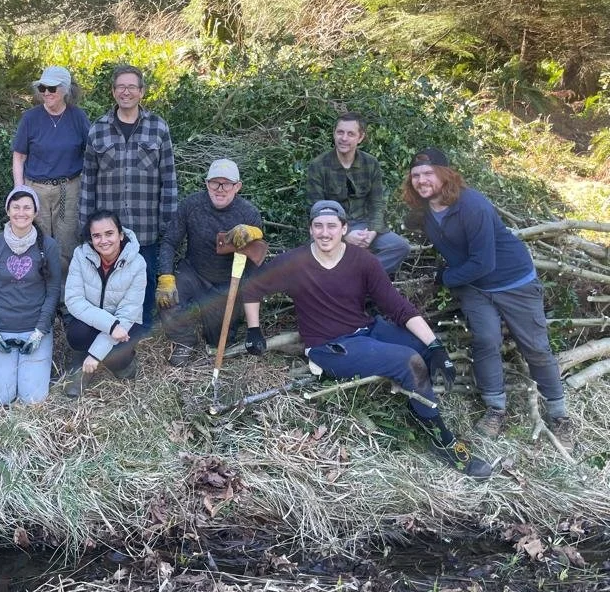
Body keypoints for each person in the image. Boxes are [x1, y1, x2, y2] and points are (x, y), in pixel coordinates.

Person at [240, 200, 492, 478]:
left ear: (344, 229)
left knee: (422, 349)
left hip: (366, 329)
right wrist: (254, 330)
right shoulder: (294, 262)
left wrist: (436, 346)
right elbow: (252, 289)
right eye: (318, 226)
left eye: (332, 226)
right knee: (408, 361)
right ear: (311, 229)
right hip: (330, 346)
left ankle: (419, 407)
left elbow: (397, 306)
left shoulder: (362, 260)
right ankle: (444, 443)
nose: (325, 233)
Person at [403, 148, 573, 446]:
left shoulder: (472, 205)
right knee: (485, 340)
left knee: (534, 346)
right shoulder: (426, 211)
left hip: (513, 282)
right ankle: (496, 409)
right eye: (415, 175)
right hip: (475, 288)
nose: (421, 180)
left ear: (445, 174)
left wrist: (445, 278)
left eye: (428, 173)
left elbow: (484, 263)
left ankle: (559, 415)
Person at [79, 64, 177, 333]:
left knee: (143, 279)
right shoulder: (98, 129)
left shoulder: (158, 127)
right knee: (109, 280)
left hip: (146, 226)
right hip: (108, 231)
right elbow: (88, 180)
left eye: (132, 86)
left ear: (142, 92)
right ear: (113, 91)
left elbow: (168, 179)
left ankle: (140, 330)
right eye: (121, 86)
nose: (126, 92)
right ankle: (109, 327)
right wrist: (85, 225)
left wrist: (167, 224)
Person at [157, 159, 266, 366]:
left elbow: (255, 262)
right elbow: (170, 241)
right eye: (215, 183)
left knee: (219, 340)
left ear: (238, 187)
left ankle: (217, 323)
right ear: (206, 183)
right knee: (167, 298)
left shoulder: (248, 213)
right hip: (194, 272)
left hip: (226, 281)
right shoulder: (191, 205)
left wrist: (254, 232)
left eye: (227, 184)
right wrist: (166, 276)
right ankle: (185, 340)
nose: (220, 189)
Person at [0, 187, 62, 405]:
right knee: (0, 399)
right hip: (1, 328)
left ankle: (31, 363)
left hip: (34, 328)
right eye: (16, 207)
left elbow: (53, 292)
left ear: (35, 212)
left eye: (27, 207)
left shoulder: (49, 246)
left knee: (33, 399)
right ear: (8, 210)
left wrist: (39, 332)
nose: (21, 212)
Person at [305, 112, 411, 276]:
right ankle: (352, 279)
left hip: (363, 225)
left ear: (360, 138)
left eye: (350, 134)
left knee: (399, 247)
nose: (344, 138)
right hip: (330, 226)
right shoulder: (318, 165)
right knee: (322, 256)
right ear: (334, 133)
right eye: (340, 132)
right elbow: (316, 209)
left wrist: (373, 231)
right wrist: (344, 235)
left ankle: (358, 277)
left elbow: (377, 203)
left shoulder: (370, 163)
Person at [12, 65, 91, 276]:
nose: (46, 93)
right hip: (35, 188)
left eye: (52, 88)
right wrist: (19, 192)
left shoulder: (78, 117)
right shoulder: (30, 118)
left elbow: (91, 154)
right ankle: (38, 295)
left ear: (66, 89)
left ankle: (66, 298)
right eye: (43, 87)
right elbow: (19, 157)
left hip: (69, 188)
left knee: (68, 242)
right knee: (36, 240)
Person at [62, 210, 147, 396]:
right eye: (97, 236)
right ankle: (82, 363)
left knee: (118, 358)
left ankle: (114, 361)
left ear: (121, 234)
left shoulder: (138, 263)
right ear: (91, 238)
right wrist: (110, 325)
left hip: (125, 323)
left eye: (109, 233)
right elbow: (73, 300)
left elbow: (128, 313)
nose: (104, 240)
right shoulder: (80, 255)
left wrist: (95, 355)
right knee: (76, 334)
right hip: (96, 320)